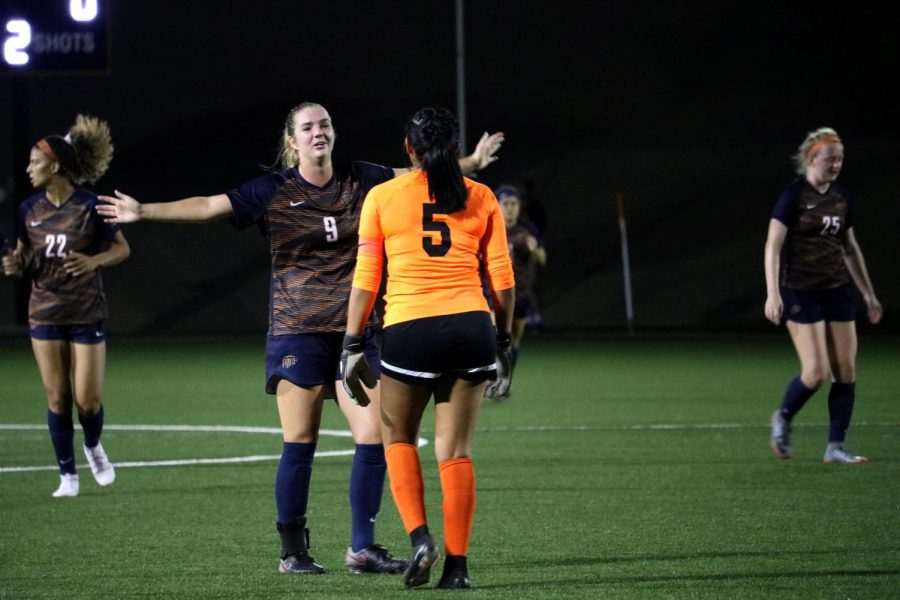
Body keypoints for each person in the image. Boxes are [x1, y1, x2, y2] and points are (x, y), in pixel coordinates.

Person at [96, 102, 504, 574]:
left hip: (354, 333)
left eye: (325, 124)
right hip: (298, 332)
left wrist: (469, 163)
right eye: (308, 127)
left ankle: (362, 548)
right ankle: (293, 550)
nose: (319, 132)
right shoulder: (274, 189)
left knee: (373, 435)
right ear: (292, 140)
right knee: (301, 439)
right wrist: (142, 210)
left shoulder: (363, 178)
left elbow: (419, 168)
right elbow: (210, 206)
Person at [342, 107, 515, 589]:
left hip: (410, 329)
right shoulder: (480, 195)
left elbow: (366, 280)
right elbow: (503, 280)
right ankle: (457, 570)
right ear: (452, 146)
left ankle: (421, 539)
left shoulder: (382, 196)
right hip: (471, 326)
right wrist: (501, 340)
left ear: (408, 150)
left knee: (397, 438)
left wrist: (352, 340)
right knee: (455, 451)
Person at [2, 115, 128, 497]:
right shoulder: (28, 210)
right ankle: (67, 475)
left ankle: (92, 446)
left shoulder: (90, 207)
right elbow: (24, 257)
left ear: (55, 166)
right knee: (57, 397)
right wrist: (13, 264)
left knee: (87, 401)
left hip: (86, 312)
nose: (28, 168)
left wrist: (94, 261)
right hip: (44, 312)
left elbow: (122, 248)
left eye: (34, 162)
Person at [764, 127, 882, 464]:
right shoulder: (793, 197)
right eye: (830, 158)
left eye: (841, 158)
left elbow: (850, 248)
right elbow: (773, 247)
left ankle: (835, 447)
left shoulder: (842, 198)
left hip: (838, 290)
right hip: (800, 290)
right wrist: (773, 294)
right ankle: (783, 417)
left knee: (845, 369)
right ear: (811, 158)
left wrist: (869, 295)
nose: (836, 164)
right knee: (815, 373)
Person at [484, 184, 546, 401]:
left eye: (514, 204)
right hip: (494, 292)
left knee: (513, 342)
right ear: (498, 205)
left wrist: (533, 248)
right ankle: (493, 376)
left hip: (520, 295)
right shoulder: (489, 227)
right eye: (506, 204)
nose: (510, 208)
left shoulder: (527, 230)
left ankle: (505, 383)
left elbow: (542, 258)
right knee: (491, 336)